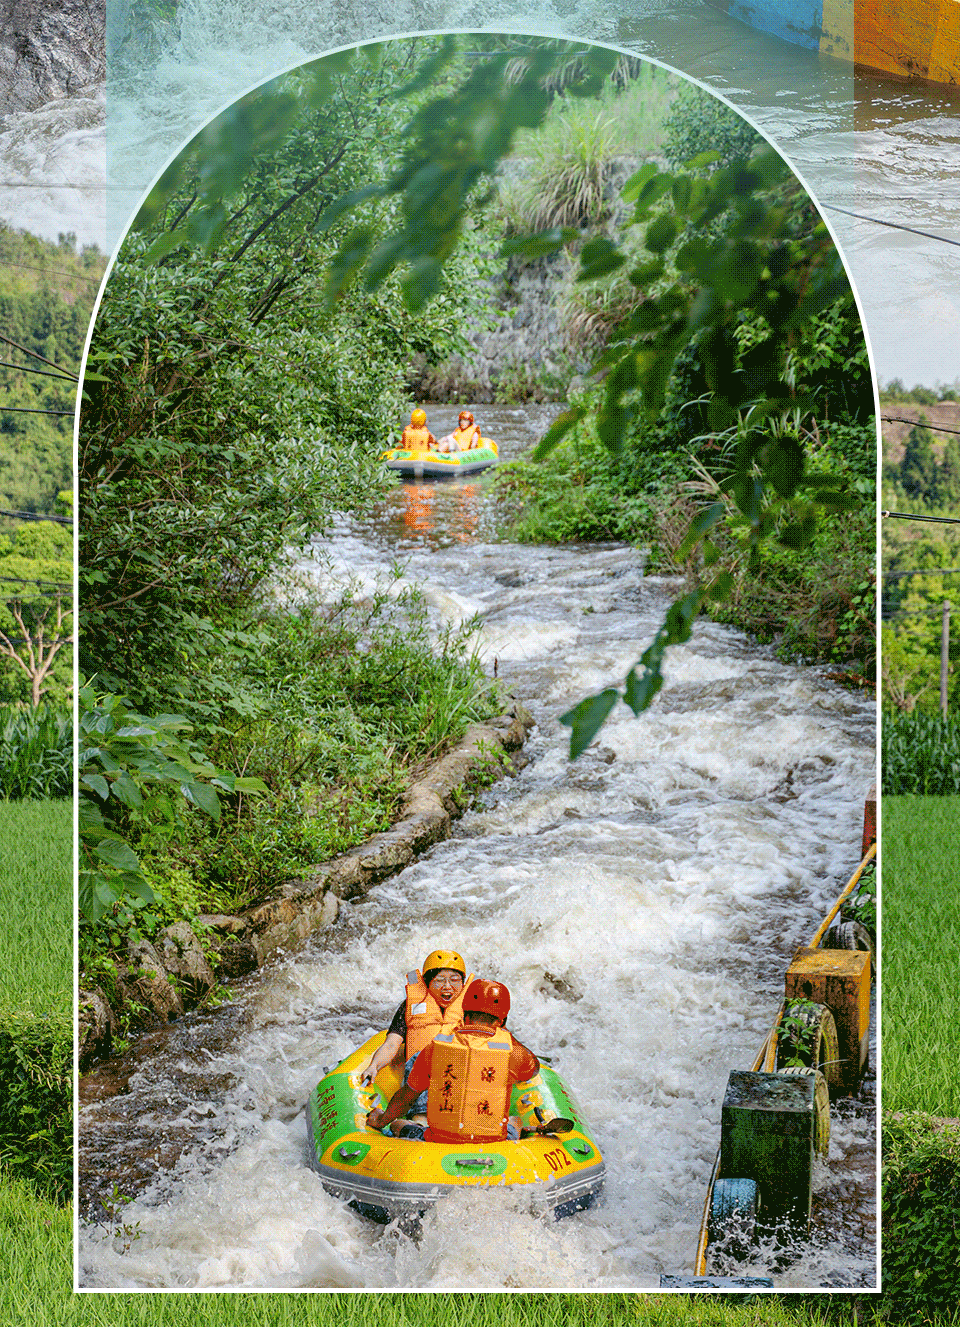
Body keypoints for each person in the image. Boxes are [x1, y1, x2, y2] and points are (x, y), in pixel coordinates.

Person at [366, 979, 539, 1143]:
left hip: (439, 1140)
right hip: (493, 1142)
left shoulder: (436, 1047)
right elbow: (534, 1069)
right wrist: (507, 1037)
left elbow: (407, 1097)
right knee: (515, 1120)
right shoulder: (513, 1052)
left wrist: (381, 1120)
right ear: (502, 1020)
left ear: (464, 1014)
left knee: (397, 1124)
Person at [360, 950, 474, 1132]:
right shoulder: (410, 1006)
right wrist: (374, 1065)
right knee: (423, 1062)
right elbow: (391, 1044)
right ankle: (419, 1122)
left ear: (463, 982)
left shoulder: (472, 1007)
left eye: (454, 980)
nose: (447, 986)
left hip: (459, 1082)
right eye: (439, 980)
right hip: (420, 1083)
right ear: (427, 983)